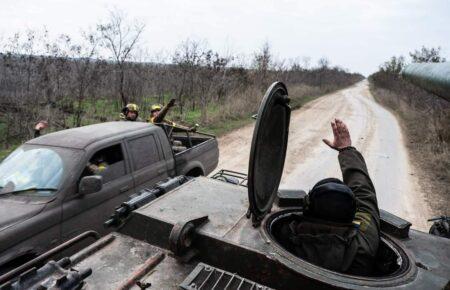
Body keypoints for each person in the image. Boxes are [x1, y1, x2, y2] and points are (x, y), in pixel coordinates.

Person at [286, 118, 380, 276]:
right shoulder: (363, 246)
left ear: (307, 207)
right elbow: (364, 195)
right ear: (353, 216)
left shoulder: (286, 235)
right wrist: (346, 150)